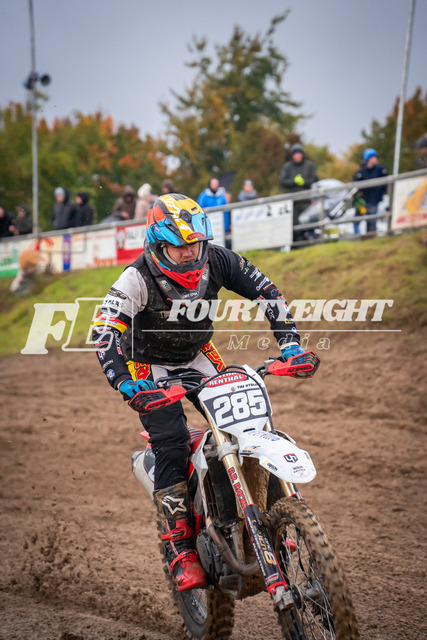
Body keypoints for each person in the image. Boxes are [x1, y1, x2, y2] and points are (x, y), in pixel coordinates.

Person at [93, 193, 315, 593]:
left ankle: (272, 516)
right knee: (172, 440)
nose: (189, 254)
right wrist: (125, 382)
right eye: (179, 247)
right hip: (148, 365)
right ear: (158, 245)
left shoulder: (218, 259)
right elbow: (104, 333)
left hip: (198, 355)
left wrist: (291, 345)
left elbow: (268, 292)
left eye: (195, 244)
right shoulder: (135, 278)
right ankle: (180, 548)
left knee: (246, 422)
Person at [279, 144, 318, 242]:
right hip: (293, 202)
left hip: (307, 201)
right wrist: (294, 181)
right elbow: (282, 181)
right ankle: (295, 243)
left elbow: (315, 180)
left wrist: (304, 182)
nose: (297, 156)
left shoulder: (309, 165)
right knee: (294, 224)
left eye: (299, 154)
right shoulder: (287, 167)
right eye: (295, 154)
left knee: (308, 221)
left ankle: (310, 240)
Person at [353, 148, 388, 235]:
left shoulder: (380, 170)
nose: (375, 159)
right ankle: (358, 236)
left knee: (372, 222)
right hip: (362, 202)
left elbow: (385, 183)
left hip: (374, 201)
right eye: (372, 157)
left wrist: (379, 192)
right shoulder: (361, 172)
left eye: (375, 157)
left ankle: (371, 237)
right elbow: (356, 186)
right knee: (356, 220)